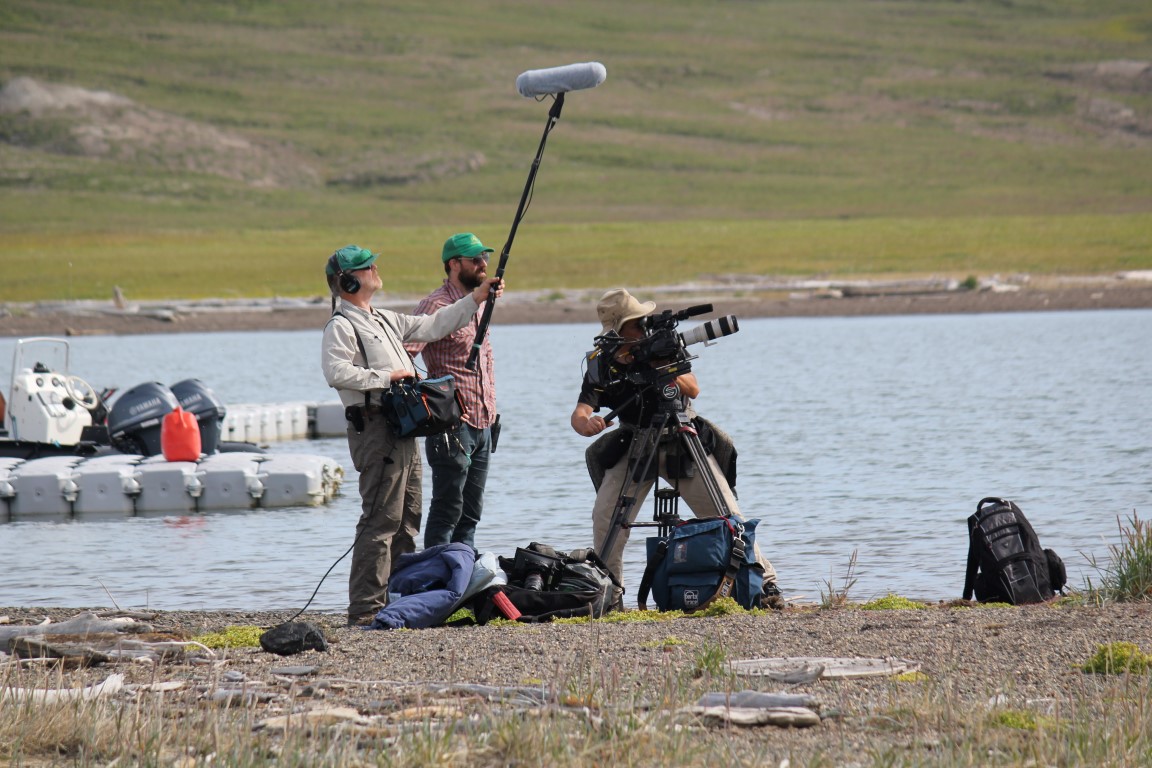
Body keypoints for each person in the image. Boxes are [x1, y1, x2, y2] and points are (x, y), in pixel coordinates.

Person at [320, 244, 503, 626]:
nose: (375, 271)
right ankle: (365, 608)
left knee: (407, 518)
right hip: (373, 428)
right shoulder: (341, 325)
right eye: (368, 268)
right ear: (349, 280)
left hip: (402, 430)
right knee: (380, 519)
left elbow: (433, 325)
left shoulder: (383, 318)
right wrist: (387, 377)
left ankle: (399, 599)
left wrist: (475, 298)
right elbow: (336, 373)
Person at [570, 288, 781, 603]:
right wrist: (586, 424)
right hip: (635, 444)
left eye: (644, 320)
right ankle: (609, 595)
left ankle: (764, 585)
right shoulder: (602, 364)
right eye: (635, 323)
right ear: (616, 330)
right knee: (605, 516)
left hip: (681, 440)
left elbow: (693, 389)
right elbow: (581, 411)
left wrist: (659, 363)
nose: (644, 327)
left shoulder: (663, 346)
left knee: (726, 512)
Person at [404, 233, 500, 550]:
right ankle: (436, 580)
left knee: (471, 513)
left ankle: (462, 581)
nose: (483, 264)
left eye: (484, 258)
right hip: (452, 426)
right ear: (454, 264)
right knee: (448, 510)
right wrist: (426, 402)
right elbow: (405, 355)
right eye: (475, 259)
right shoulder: (435, 305)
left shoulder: (480, 303)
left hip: (483, 423)